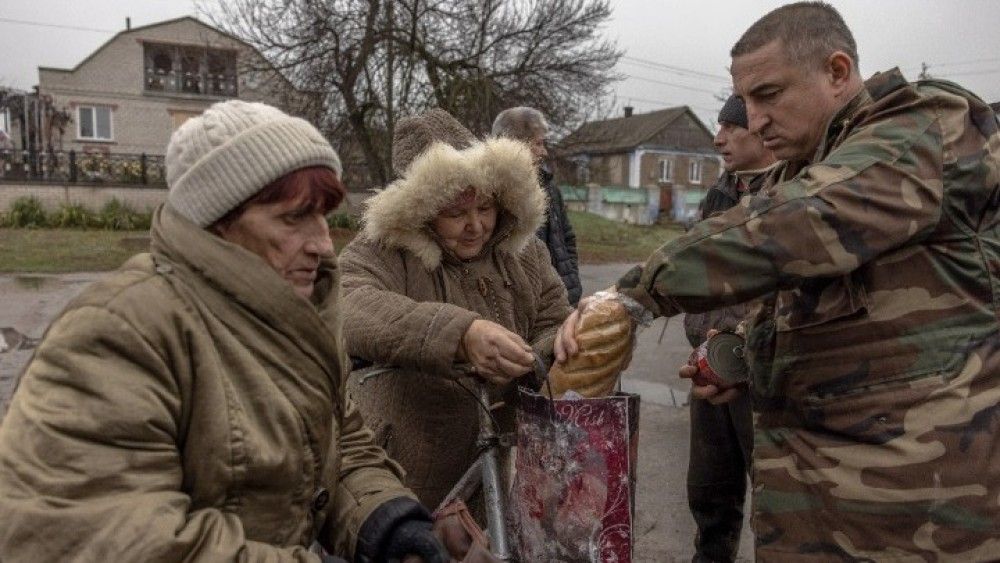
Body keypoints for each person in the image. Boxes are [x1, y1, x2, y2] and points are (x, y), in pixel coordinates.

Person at [557, 2, 1000, 559]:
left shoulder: (923, 129)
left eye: (768, 95)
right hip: (821, 514)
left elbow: (803, 222)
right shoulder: (809, 163)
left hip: (917, 520)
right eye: (745, 101)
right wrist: (746, 352)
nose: (754, 118)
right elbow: (835, 305)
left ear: (837, 73)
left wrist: (636, 293)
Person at [0, 100, 470, 563]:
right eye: (293, 217)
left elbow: (337, 444)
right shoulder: (119, 335)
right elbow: (114, 538)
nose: (324, 244)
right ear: (217, 223)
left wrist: (391, 526)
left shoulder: (295, 318)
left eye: (324, 214)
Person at [339, 108, 572, 509]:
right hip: (399, 470)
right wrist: (460, 335)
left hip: (491, 468)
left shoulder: (525, 252)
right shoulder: (381, 250)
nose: (476, 226)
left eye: (484, 208)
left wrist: (547, 351)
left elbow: (553, 317)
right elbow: (348, 304)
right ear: (420, 211)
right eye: (455, 213)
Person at [682, 94, 776, 563]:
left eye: (731, 128)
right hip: (709, 367)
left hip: (758, 375)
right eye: (718, 126)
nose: (719, 138)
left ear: (762, 131)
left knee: (774, 502)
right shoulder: (720, 192)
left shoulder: (790, 193)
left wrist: (740, 343)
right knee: (709, 491)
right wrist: (700, 334)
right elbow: (695, 270)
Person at [492, 106, 582, 305]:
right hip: (526, 306)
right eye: (538, 144)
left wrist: (571, 280)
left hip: (564, 299)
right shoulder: (493, 192)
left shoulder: (549, 186)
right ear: (516, 145)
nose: (544, 151)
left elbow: (567, 237)